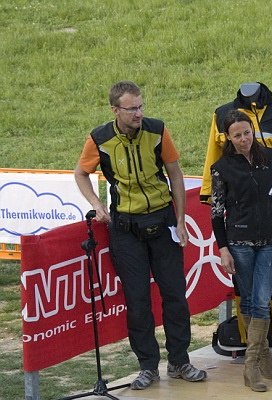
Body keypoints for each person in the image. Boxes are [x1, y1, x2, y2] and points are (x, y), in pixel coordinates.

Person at [74, 80, 206, 390]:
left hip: (162, 222)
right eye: (132, 108)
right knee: (137, 302)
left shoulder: (157, 130)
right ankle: (148, 367)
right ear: (115, 110)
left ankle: (180, 361)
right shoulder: (100, 138)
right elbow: (81, 173)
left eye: (140, 106)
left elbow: (175, 174)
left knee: (175, 295)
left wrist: (181, 220)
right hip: (125, 228)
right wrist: (96, 204)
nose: (139, 113)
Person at [210, 110, 272, 392]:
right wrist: (223, 248)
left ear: (253, 130)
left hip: (269, 239)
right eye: (237, 135)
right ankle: (261, 357)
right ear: (228, 137)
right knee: (250, 300)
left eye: (247, 132)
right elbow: (216, 212)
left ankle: (251, 364)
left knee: (262, 301)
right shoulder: (221, 167)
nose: (244, 139)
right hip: (239, 242)